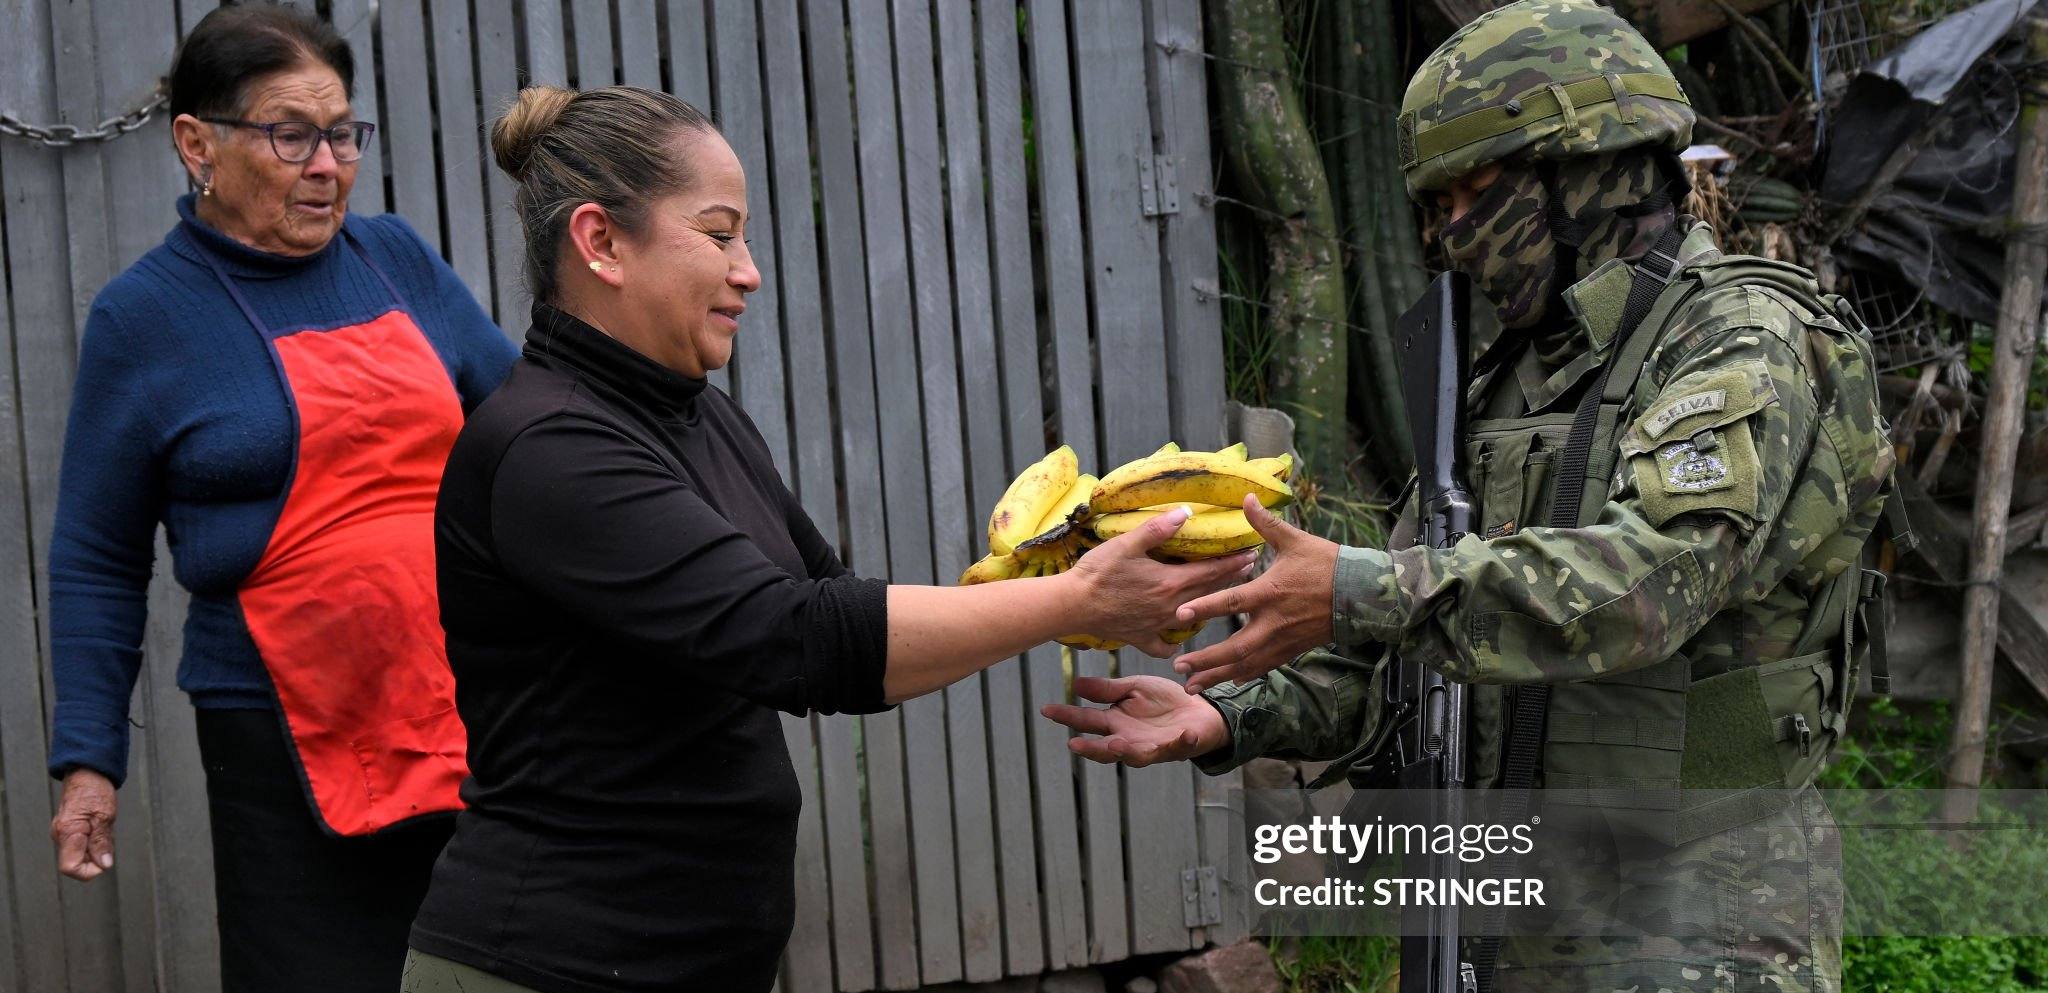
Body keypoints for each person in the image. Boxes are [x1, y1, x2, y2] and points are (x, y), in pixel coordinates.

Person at [1043, 3, 1895, 991]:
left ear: (1587, 168)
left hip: (1697, 930)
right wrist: (1229, 711)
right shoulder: (1505, 382)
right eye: (1432, 204)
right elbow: (1407, 656)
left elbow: (1649, 586)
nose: (1445, 234)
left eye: (1470, 190)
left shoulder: (1738, 336)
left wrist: (1359, 587)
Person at [397, 84, 1249, 993]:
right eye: (719, 233)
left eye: (746, 237)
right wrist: (1076, 601)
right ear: (601, 241)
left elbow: (840, 615)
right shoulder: (551, 447)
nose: (749, 269)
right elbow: (796, 640)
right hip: (547, 963)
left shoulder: (702, 422)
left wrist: (1079, 582)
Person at [44, 6, 518, 991]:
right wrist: (89, 761)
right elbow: (97, 555)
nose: (327, 164)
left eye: (342, 133)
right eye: (290, 134)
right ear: (195, 143)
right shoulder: (144, 318)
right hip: (278, 737)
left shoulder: (397, 260)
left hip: (467, 702)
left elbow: (528, 436)